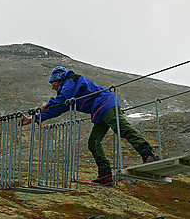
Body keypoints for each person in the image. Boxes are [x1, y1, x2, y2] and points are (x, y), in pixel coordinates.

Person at [21, 66, 160, 185]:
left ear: (58, 79)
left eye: (53, 83)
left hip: (106, 103)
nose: (52, 86)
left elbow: (61, 99)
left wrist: (47, 104)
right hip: (99, 111)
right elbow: (57, 109)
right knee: (93, 142)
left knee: (120, 127)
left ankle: (148, 154)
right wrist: (33, 119)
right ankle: (105, 176)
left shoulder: (71, 79)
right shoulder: (67, 93)